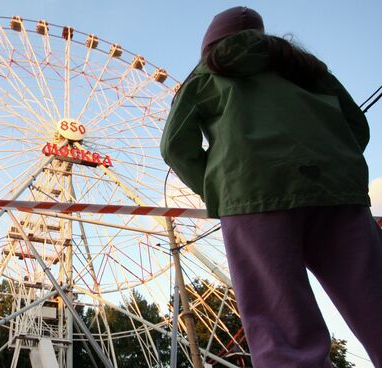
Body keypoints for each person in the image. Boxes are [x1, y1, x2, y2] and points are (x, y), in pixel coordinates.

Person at [160, 6, 382, 368]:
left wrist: (220, 187)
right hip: (338, 191)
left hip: (251, 196)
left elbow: (175, 146)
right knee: (373, 295)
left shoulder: (205, 74)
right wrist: (334, 165)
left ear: (210, 44)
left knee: (281, 325)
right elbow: (356, 124)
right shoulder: (305, 68)